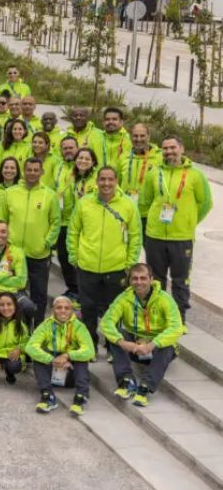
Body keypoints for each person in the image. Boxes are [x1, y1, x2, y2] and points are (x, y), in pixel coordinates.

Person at [67, 166, 142, 348]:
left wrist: (130, 263)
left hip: (116, 267)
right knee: (88, 309)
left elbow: (135, 236)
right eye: (102, 179)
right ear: (97, 181)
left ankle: (112, 347)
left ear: (116, 181)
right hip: (87, 265)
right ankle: (89, 344)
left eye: (110, 179)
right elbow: (73, 231)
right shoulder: (84, 203)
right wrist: (74, 255)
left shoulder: (128, 205)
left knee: (113, 311)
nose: (106, 183)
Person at [140, 135, 213, 321]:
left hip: (182, 237)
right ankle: (157, 316)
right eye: (165, 148)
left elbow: (205, 203)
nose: (169, 152)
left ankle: (179, 318)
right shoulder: (153, 173)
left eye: (173, 148)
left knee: (181, 280)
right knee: (156, 279)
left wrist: (189, 221)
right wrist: (154, 222)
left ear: (182, 149)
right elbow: (144, 202)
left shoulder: (196, 175)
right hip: (155, 236)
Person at [101, 263, 187, 407]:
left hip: (156, 348)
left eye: (143, 278)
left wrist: (152, 345)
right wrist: (123, 342)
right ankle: (126, 381)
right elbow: (106, 322)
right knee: (116, 336)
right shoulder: (123, 298)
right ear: (129, 280)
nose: (139, 282)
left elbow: (176, 327)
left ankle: (145, 387)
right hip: (134, 347)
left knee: (168, 345)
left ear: (151, 279)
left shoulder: (164, 299)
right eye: (135, 278)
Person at [0, 157, 59, 327]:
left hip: (38, 255)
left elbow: (55, 222)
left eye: (35, 170)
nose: (32, 173)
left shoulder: (49, 195)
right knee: (11, 293)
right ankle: (14, 327)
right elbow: (0, 219)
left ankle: (37, 329)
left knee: (39, 294)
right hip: (13, 254)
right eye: (29, 170)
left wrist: (46, 242)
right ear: (23, 171)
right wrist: (3, 242)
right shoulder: (9, 193)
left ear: (41, 172)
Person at [26, 295, 95, 416]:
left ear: (72, 311)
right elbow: (30, 347)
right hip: (51, 372)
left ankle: (81, 397)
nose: (63, 311)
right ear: (53, 310)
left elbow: (90, 351)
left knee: (81, 358)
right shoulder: (46, 325)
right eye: (59, 307)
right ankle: (47, 396)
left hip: (70, 373)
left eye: (67, 308)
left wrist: (68, 356)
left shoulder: (79, 326)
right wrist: (51, 360)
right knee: (38, 356)